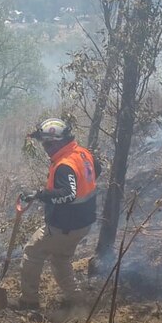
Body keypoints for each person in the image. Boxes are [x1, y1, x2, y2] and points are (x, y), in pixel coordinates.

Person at [16, 118, 100, 310]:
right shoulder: (82, 153)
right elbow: (97, 169)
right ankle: (77, 299)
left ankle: (29, 302)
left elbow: (68, 194)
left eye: (47, 143)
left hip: (64, 226)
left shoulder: (64, 164)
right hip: (82, 224)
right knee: (60, 259)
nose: (45, 147)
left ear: (58, 141)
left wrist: (39, 195)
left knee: (32, 253)